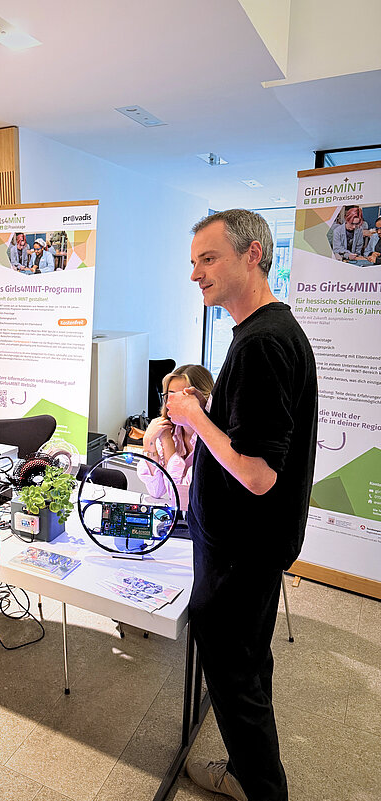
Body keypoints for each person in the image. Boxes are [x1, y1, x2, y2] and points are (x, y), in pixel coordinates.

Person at [167, 209, 317, 801]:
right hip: (245, 548)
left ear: (253, 254)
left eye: (209, 259)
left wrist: (194, 417)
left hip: (242, 551)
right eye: (194, 261)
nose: (196, 274)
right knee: (247, 668)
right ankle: (250, 771)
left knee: (235, 677)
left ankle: (259, 787)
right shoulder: (266, 334)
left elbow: (257, 474)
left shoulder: (263, 343)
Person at [138, 364, 214, 509]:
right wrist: (149, 442)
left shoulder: (211, 440)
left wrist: (167, 443)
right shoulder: (173, 431)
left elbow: (180, 498)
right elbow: (157, 491)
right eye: (170, 395)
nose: (172, 403)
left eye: (181, 396)